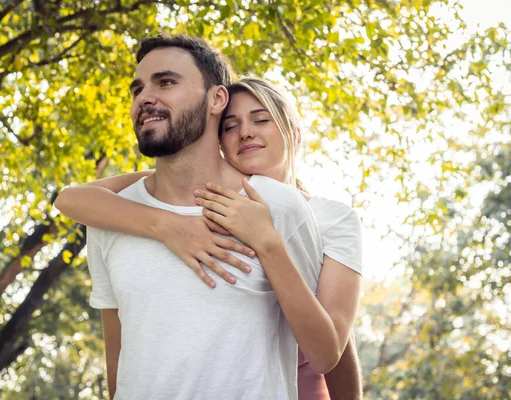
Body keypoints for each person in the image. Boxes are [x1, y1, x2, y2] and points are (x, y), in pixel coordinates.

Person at [55, 33, 362, 399]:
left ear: (216, 99)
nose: (145, 97)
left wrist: (265, 240)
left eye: (166, 82)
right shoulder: (114, 217)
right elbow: (118, 363)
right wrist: (170, 225)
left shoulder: (287, 210)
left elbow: (330, 350)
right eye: (136, 90)